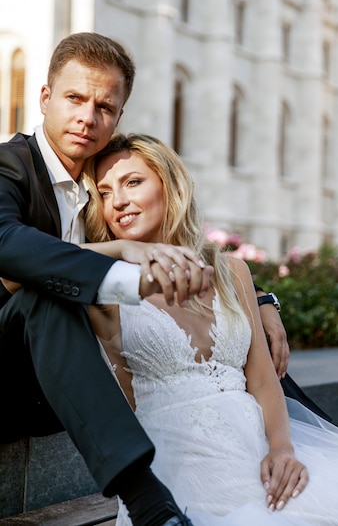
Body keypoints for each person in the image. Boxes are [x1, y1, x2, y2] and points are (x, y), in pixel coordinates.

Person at [83, 132, 338, 526]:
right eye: (104, 193)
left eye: (133, 182)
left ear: (170, 185)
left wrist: (282, 448)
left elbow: (261, 381)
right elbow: (34, 262)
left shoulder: (232, 272)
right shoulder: (105, 284)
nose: (118, 201)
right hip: (180, 468)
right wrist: (125, 251)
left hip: (261, 449)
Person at [0, 32, 219, 526]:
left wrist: (262, 299)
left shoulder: (105, 181)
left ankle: (329, 438)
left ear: (118, 116)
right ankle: (148, 501)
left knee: (233, 345)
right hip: (6, 370)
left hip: (61, 393)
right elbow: (8, 247)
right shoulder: (7, 167)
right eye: (75, 98)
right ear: (45, 98)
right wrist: (122, 263)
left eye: (104, 106)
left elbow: (174, 238)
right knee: (45, 297)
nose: (87, 117)